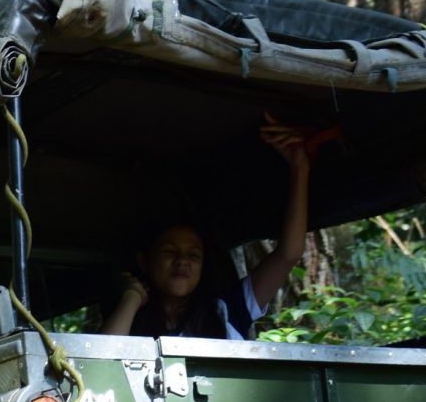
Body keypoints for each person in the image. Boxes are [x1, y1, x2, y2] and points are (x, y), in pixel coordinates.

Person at [101, 116, 312, 340]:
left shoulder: (229, 309)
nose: (183, 261)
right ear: (144, 261)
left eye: (194, 255)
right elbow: (103, 357)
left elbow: (289, 253)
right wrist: (132, 297)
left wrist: (300, 166)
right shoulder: (130, 320)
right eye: (170, 251)